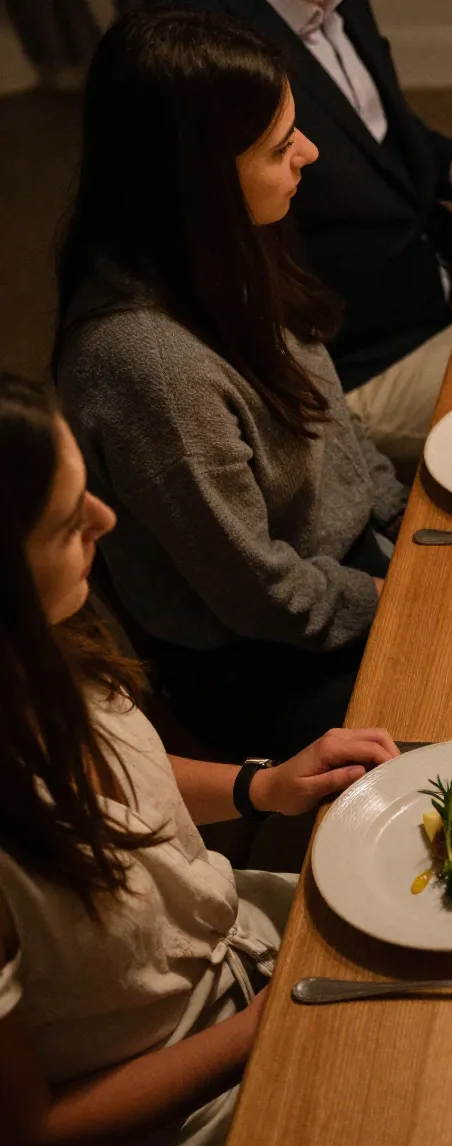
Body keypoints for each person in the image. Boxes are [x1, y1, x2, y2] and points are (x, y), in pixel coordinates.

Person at [0, 373, 400, 1146]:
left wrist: (263, 786)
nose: (105, 518)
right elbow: (22, 1141)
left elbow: (114, 784)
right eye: (67, 521)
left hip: (243, 959)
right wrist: (265, 1030)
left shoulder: (37, 648)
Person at [56, 6, 409, 760]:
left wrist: (409, 528)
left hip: (350, 571)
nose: (309, 152)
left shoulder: (229, 247)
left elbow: (333, 420)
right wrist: (389, 599)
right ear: (202, 176)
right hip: (271, 665)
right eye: (283, 145)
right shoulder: (147, 366)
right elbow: (256, 594)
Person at [176, 0, 452, 469]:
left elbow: (378, 137)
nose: (307, 151)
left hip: (439, 284)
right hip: (362, 360)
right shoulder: (216, 46)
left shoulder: (340, 6)